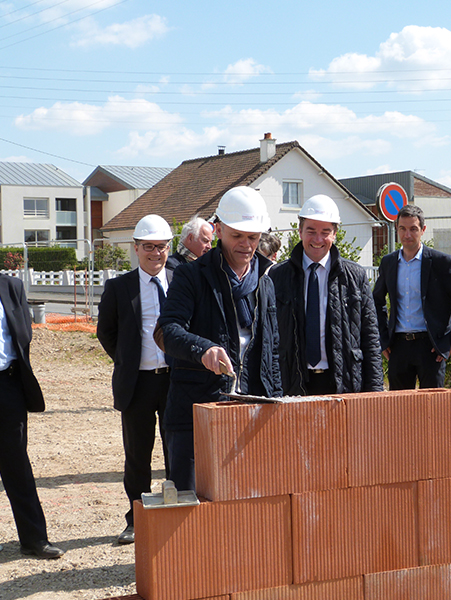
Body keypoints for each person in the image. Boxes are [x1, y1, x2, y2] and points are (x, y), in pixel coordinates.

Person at [157, 187, 281, 492]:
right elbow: (167, 331)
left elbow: (273, 351)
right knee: (192, 509)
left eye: (253, 237)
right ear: (219, 229)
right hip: (196, 412)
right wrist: (203, 350)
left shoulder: (266, 281)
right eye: (237, 235)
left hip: (252, 411)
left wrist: (277, 403)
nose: (246, 244)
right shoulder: (191, 276)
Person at [97, 214, 174, 545]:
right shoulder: (119, 288)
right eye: (148, 247)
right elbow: (106, 332)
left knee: (179, 451)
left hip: (176, 383)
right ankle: (137, 517)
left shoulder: (181, 279)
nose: (155, 253)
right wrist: (129, 361)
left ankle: (176, 511)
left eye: (161, 247)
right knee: (137, 456)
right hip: (138, 384)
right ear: (136, 248)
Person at [269, 194, 382, 396]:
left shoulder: (355, 276)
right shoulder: (278, 276)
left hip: (343, 383)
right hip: (293, 384)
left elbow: (370, 338)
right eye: (311, 231)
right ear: (300, 231)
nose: (318, 239)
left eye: (325, 232)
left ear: (335, 234)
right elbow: (269, 338)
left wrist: (375, 392)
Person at [373, 204, 451, 389]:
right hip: (398, 346)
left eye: (413, 229)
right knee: (399, 409)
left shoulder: (440, 262)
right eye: (402, 229)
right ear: (396, 229)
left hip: (431, 347)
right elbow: (376, 300)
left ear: (423, 230)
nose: (407, 235)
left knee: (432, 410)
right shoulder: (388, 263)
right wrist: (383, 339)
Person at [0, 274, 65, 559]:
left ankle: (34, 539)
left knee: (16, 463)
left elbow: (23, 329)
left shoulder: (11, 286)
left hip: (7, 384)